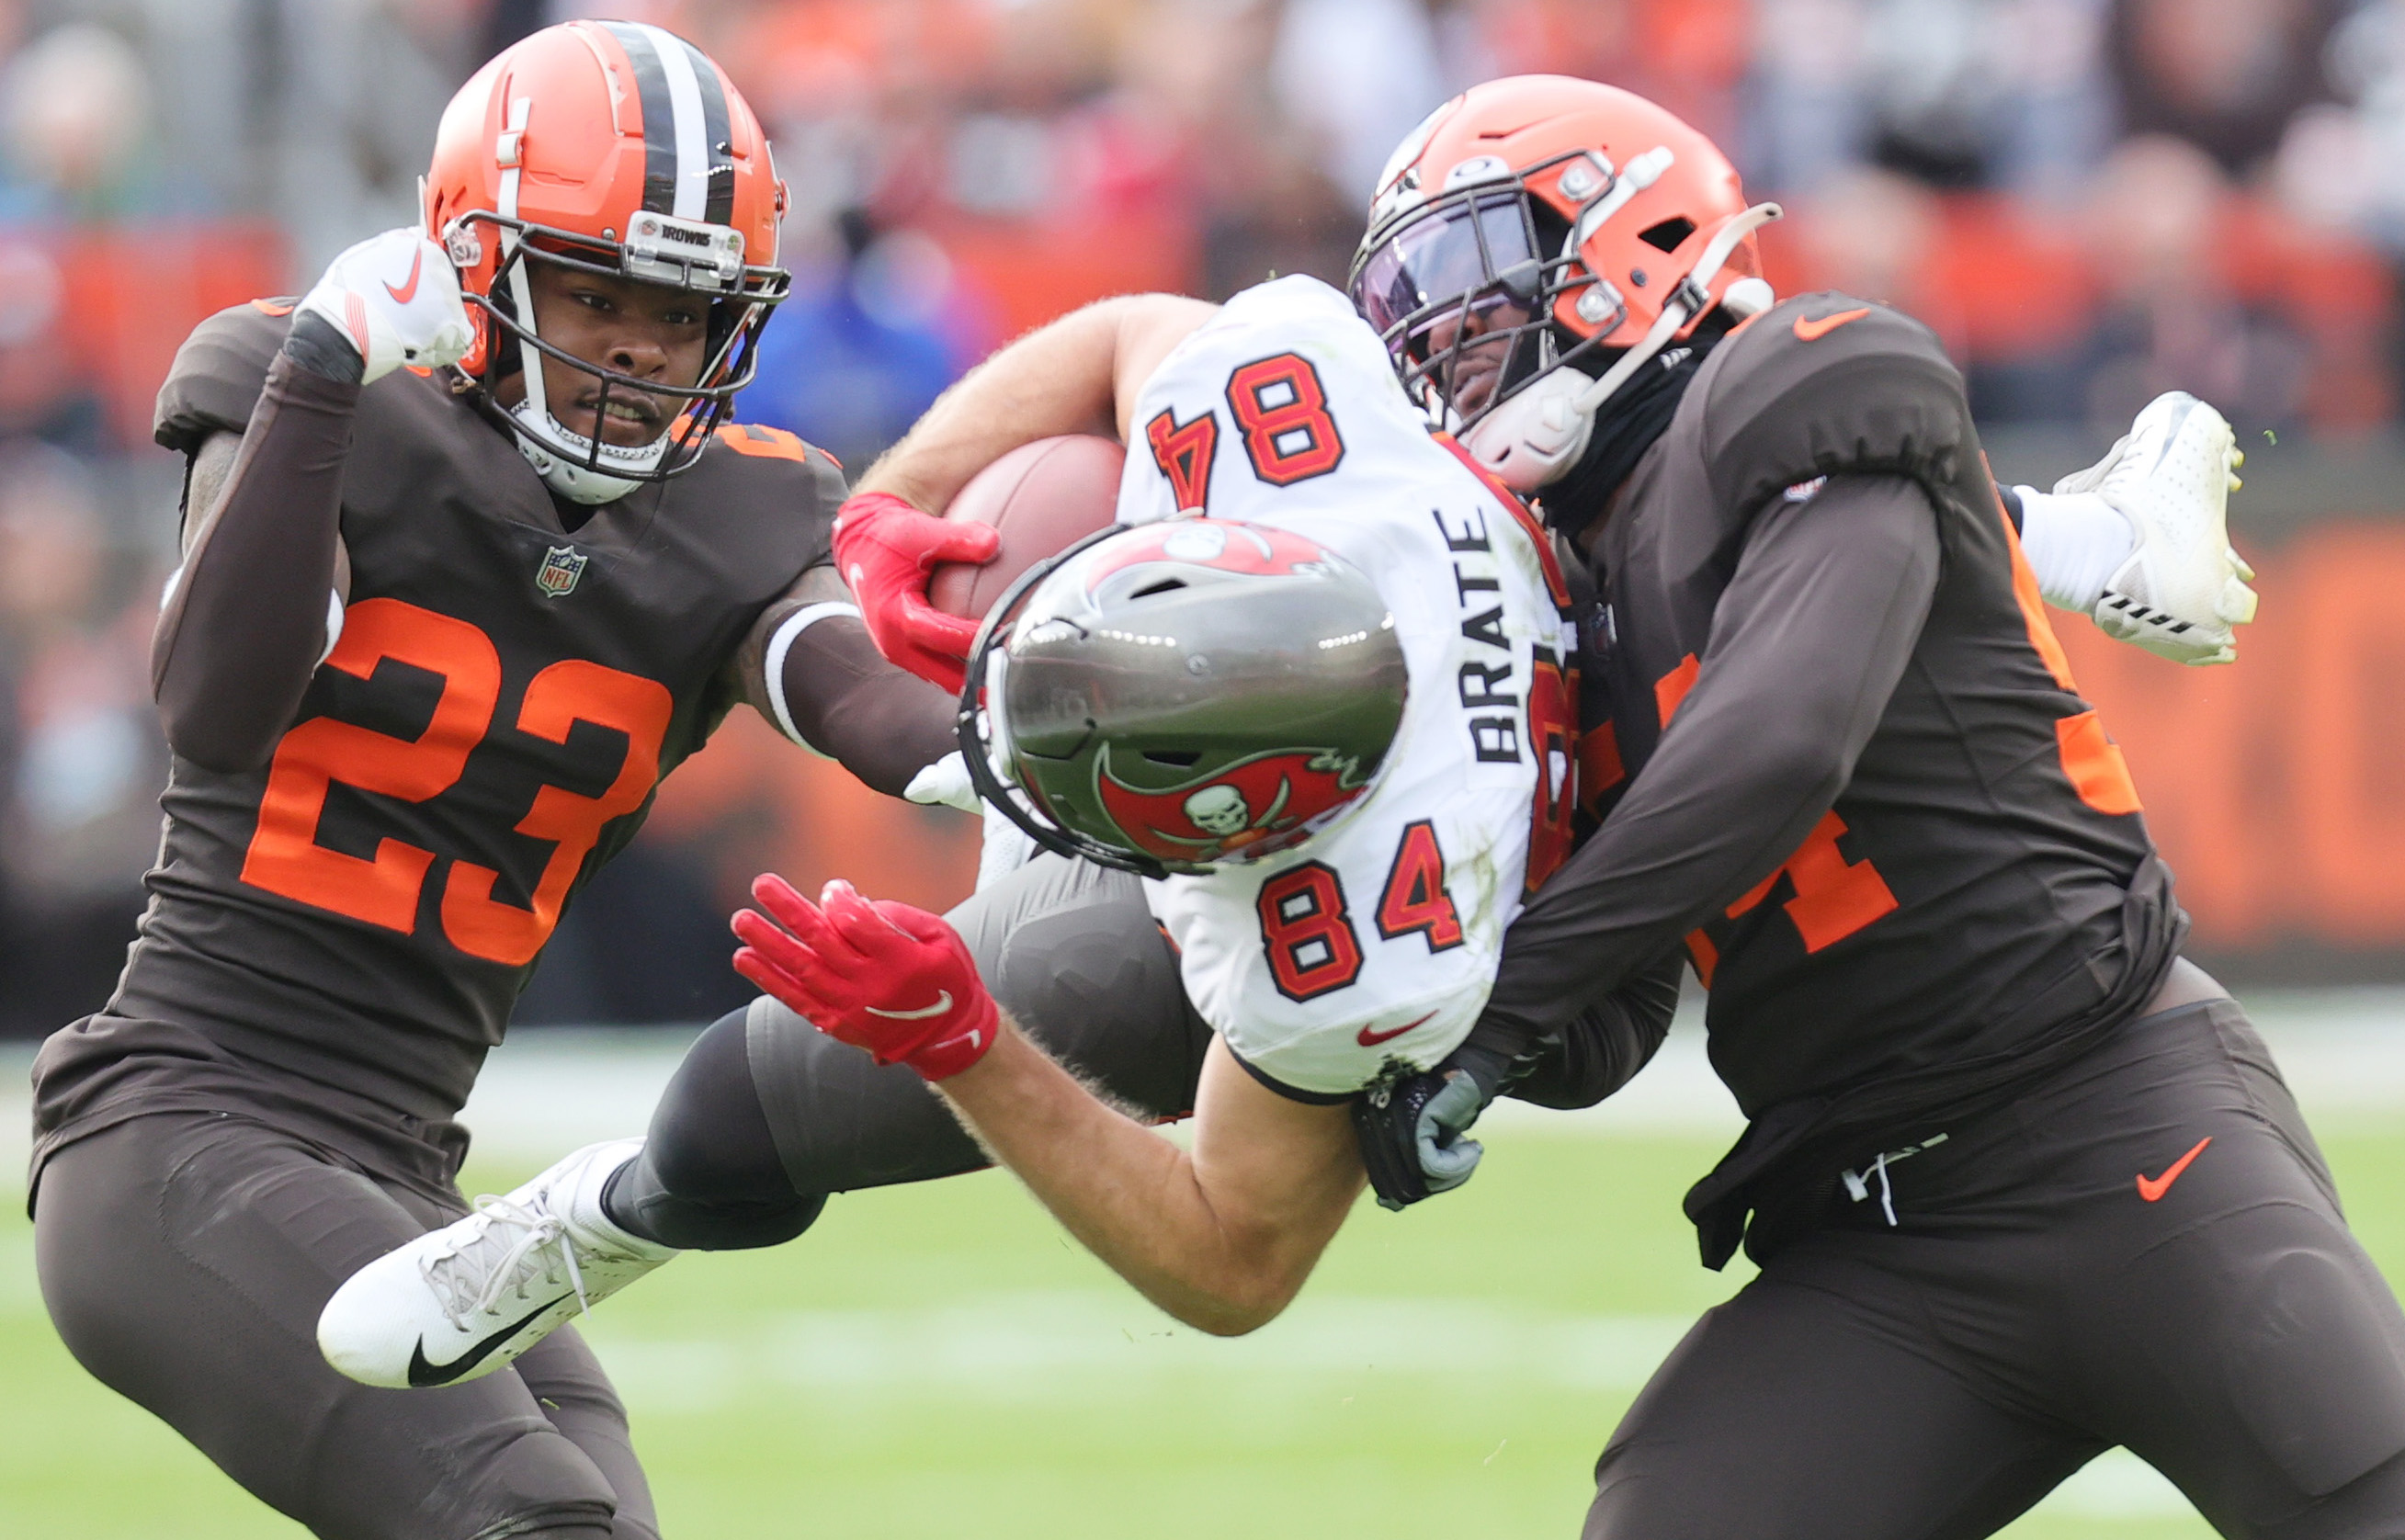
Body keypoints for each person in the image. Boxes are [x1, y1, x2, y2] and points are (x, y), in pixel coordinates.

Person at [316, 79, 2260, 1394]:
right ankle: (2089, 526)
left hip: (1423, 893)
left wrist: (974, 1051)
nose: (1427, 344)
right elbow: (1129, 332)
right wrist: (888, 510)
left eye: (1474, 297)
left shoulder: (1358, 912)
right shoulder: (1360, 445)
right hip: (1376, 795)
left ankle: (598, 1213)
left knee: (892, 1046)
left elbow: (1235, 1262)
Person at [1340, 76, 2405, 1536]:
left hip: (2122, 1138)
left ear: (1634, 249)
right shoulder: (1556, 599)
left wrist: (1500, 1009)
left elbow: (1779, 743)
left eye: (1475, 288)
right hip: (1879, 1242)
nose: (1446, 345)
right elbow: (1614, 1024)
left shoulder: (1796, 379)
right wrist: (1398, 980)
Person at [27, 22, 960, 1540]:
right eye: (598, 293)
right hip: (181, 1127)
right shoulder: (305, 385)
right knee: (529, 1519)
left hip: (412, 1176)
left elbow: (858, 696)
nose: (642, 349)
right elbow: (216, 702)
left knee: (591, 1519)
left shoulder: (743, 512)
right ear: (468, 267)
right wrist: (326, 374)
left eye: (683, 310)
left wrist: (1041, 722)